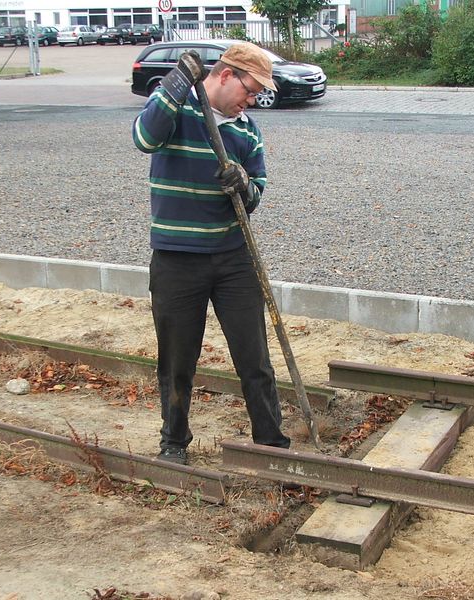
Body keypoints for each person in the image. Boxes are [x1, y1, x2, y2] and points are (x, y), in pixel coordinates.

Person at [131, 42, 290, 465]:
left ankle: (271, 443)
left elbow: (257, 190)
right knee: (177, 359)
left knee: (254, 356)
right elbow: (144, 138)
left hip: (234, 258)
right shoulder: (176, 111)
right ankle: (174, 442)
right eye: (250, 89)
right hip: (177, 258)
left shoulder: (247, 129)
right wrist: (178, 80)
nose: (251, 100)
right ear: (224, 75)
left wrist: (243, 183)